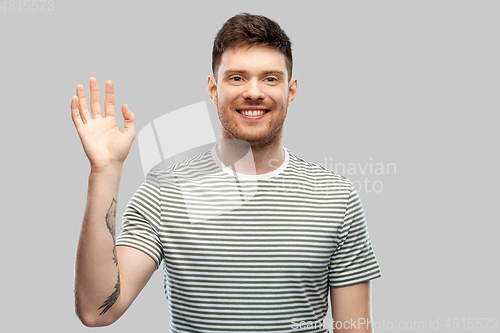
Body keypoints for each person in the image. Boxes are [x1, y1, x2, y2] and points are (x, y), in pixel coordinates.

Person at [72, 13, 381, 332]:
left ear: (291, 91)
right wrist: (105, 171)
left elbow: (354, 328)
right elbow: (97, 311)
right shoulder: (166, 191)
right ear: (212, 88)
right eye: (236, 78)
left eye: (270, 78)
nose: (254, 92)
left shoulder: (335, 196)